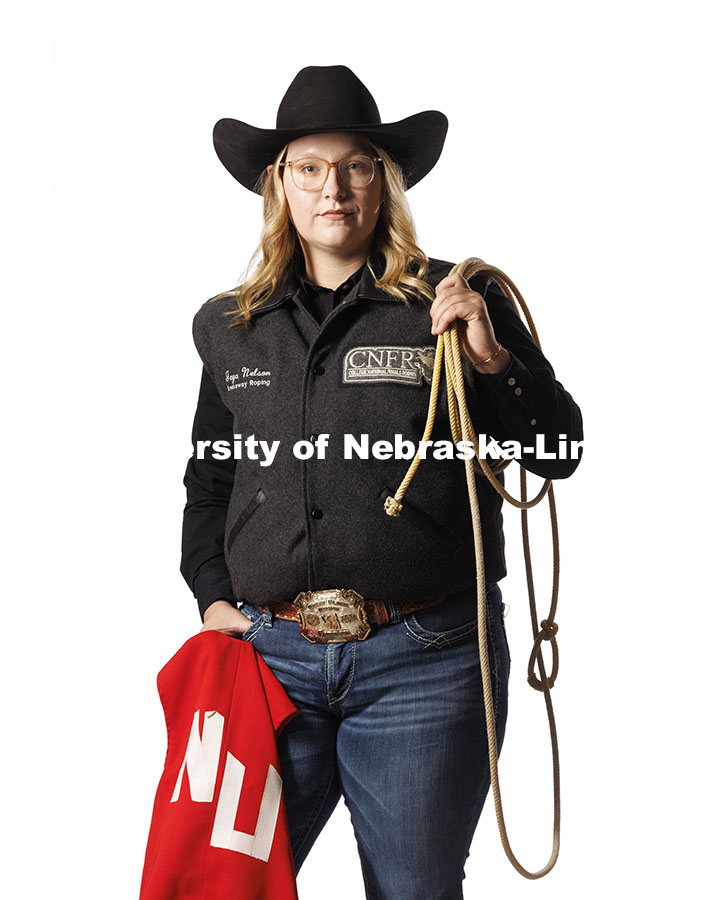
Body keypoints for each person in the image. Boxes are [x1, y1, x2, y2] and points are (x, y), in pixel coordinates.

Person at [181, 65, 583, 900]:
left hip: (425, 661)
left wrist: (492, 361)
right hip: (268, 658)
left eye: (357, 165)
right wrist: (213, 598)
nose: (334, 188)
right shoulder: (229, 326)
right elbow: (209, 480)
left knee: (414, 890)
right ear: (279, 184)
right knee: (223, 884)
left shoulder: (454, 303)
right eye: (310, 167)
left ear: (383, 181)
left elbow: (556, 448)